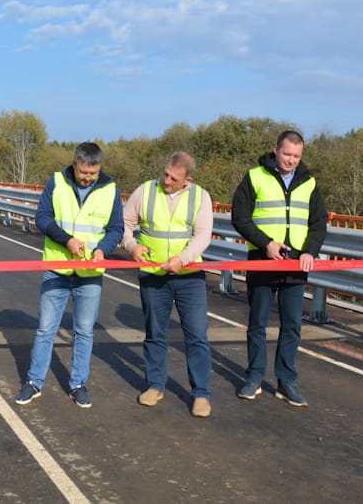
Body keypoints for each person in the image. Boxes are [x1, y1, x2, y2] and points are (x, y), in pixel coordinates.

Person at [15, 142, 124, 409]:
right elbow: (42, 217)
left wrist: (103, 249)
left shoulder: (111, 190)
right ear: (74, 164)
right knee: (45, 329)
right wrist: (67, 241)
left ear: (99, 168)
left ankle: (78, 384)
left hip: (90, 272)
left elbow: (116, 229)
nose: (87, 177)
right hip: (57, 268)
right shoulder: (56, 183)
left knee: (84, 331)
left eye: (92, 173)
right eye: (83, 172)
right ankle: (34, 381)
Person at [231, 130, 328, 407]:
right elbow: (240, 217)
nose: (291, 160)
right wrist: (265, 244)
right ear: (276, 150)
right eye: (287, 154)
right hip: (263, 260)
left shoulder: (308, 182)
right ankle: (254, 377)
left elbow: (319, 222)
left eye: (296, 156)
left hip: (296, 263)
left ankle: (286, 381)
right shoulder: (255, 176)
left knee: (292, 326)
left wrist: (310, 250)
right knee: (258, 323)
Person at [122, 152, 213, 417]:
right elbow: (124, 223)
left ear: (188, 180)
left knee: (196, 334)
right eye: (165, 174)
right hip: (153, 275)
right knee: (155, 333)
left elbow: (203, 235)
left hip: (189, 276)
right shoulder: (145, 191)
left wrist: (183, 259)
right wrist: (132, 245)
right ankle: (154, 385)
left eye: (174, 178)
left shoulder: (200, 197)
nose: (167, 180)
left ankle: (201, 394)